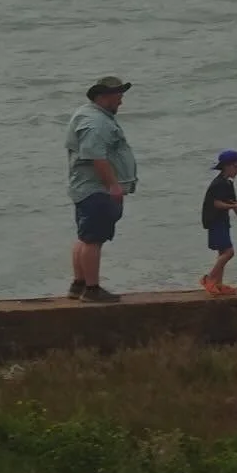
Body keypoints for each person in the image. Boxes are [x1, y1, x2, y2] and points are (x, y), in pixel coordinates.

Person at [64, 76, 138, 303]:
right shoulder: (96, 122)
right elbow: (95, 155)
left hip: (86, 187)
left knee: (85, 237)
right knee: (93, 240)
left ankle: (78, 285)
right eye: (118, 96)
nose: (121, 102)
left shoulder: (89, 115)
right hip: (96, 189)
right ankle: (92, 289)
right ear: (103, 97)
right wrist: (113, 184)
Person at [200, 150, 237, 297]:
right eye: (236, 166)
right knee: (229, 252)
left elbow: (232, 202)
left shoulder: (227, 183)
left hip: (222, 220)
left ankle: (218, 284)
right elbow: (216, 204)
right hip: (215, 220)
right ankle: (209, 279)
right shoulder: (219, 184)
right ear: (226, 166)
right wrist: (235, 205)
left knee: (223, 252)